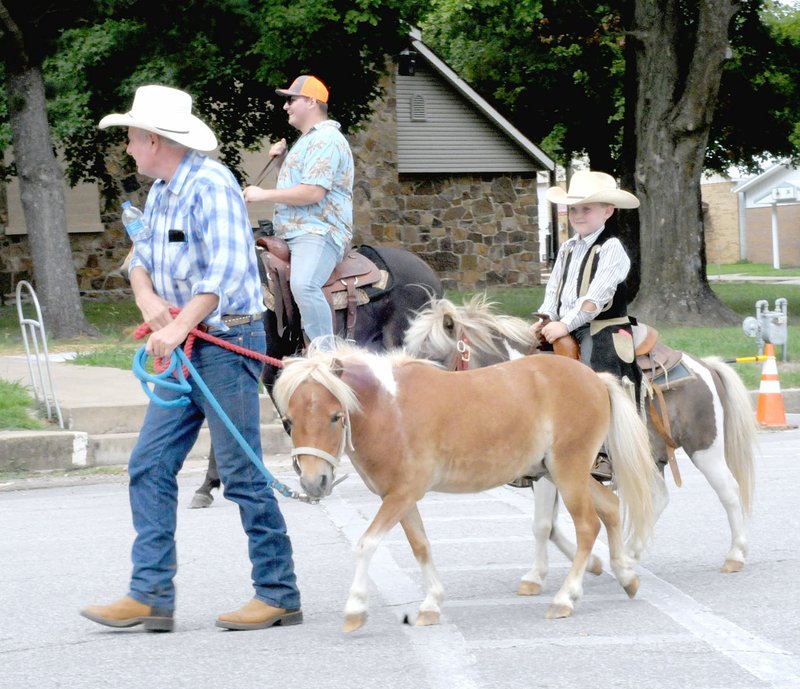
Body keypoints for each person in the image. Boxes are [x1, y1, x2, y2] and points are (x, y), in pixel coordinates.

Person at [81, 84, 301, 632]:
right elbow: (141, 256)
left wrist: (178, 325)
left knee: (242, 472)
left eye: (132, 138)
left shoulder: (212, 185)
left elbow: (226, 273)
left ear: (154, 139)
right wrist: (148, 299)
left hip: (227, 344)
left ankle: (279, 594)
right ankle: (151, 593)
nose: (129, 148)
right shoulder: (160, 193)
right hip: (188, 346)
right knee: (149, 465)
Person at [534, 170, 642, 481]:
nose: (579, 215)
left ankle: (606, 451)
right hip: (562, 323)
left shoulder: (612, 249)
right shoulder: (568, 247)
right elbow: (554, 287)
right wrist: (546, 318)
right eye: (574, 208)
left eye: (587, 208)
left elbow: (596, 298)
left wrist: (565, 325)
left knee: (600, 371)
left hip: (603, 324)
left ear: (607, 211)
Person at [243, 74, 353, 351]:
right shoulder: (306, 141)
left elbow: (313, 192)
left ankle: (326, 355)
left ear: (311, 101)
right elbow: (300, 188)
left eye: (292, 99)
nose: (286, 106)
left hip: (318, 232)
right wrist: (282, 162)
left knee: (304, 286)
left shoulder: (326, 139)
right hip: (293, 233)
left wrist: (262, 195)